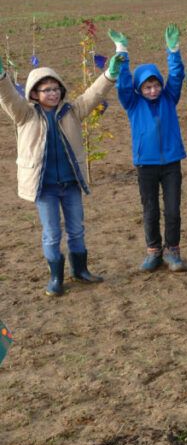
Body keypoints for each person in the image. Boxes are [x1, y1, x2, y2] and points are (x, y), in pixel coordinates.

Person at [0, 37, 121, 296]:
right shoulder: (25, 115)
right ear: (34, 93)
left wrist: (110, 74)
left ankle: (80, 271)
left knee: (77, 229)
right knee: (53, 233)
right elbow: (9, 97)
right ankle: (56, 278)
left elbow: (94, 94)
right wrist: (2, 77)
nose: (52, 93)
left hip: (70, 184)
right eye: (46, 90)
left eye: (56, 88)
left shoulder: (72, 111)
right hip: (45, 188)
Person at [116, 25, 187, 273]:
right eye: (147, 87)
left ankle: (173, 250)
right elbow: (123, 83)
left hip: (171, 163)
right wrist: (122, 52)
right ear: (139, 89)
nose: (153, 90)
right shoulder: (132, 102)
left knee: (172, 209)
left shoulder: (170, 97)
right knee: (150, 210)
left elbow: (177, 75)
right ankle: (153, 250)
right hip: (145, 164)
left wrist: (173, 50)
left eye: (155, 85)